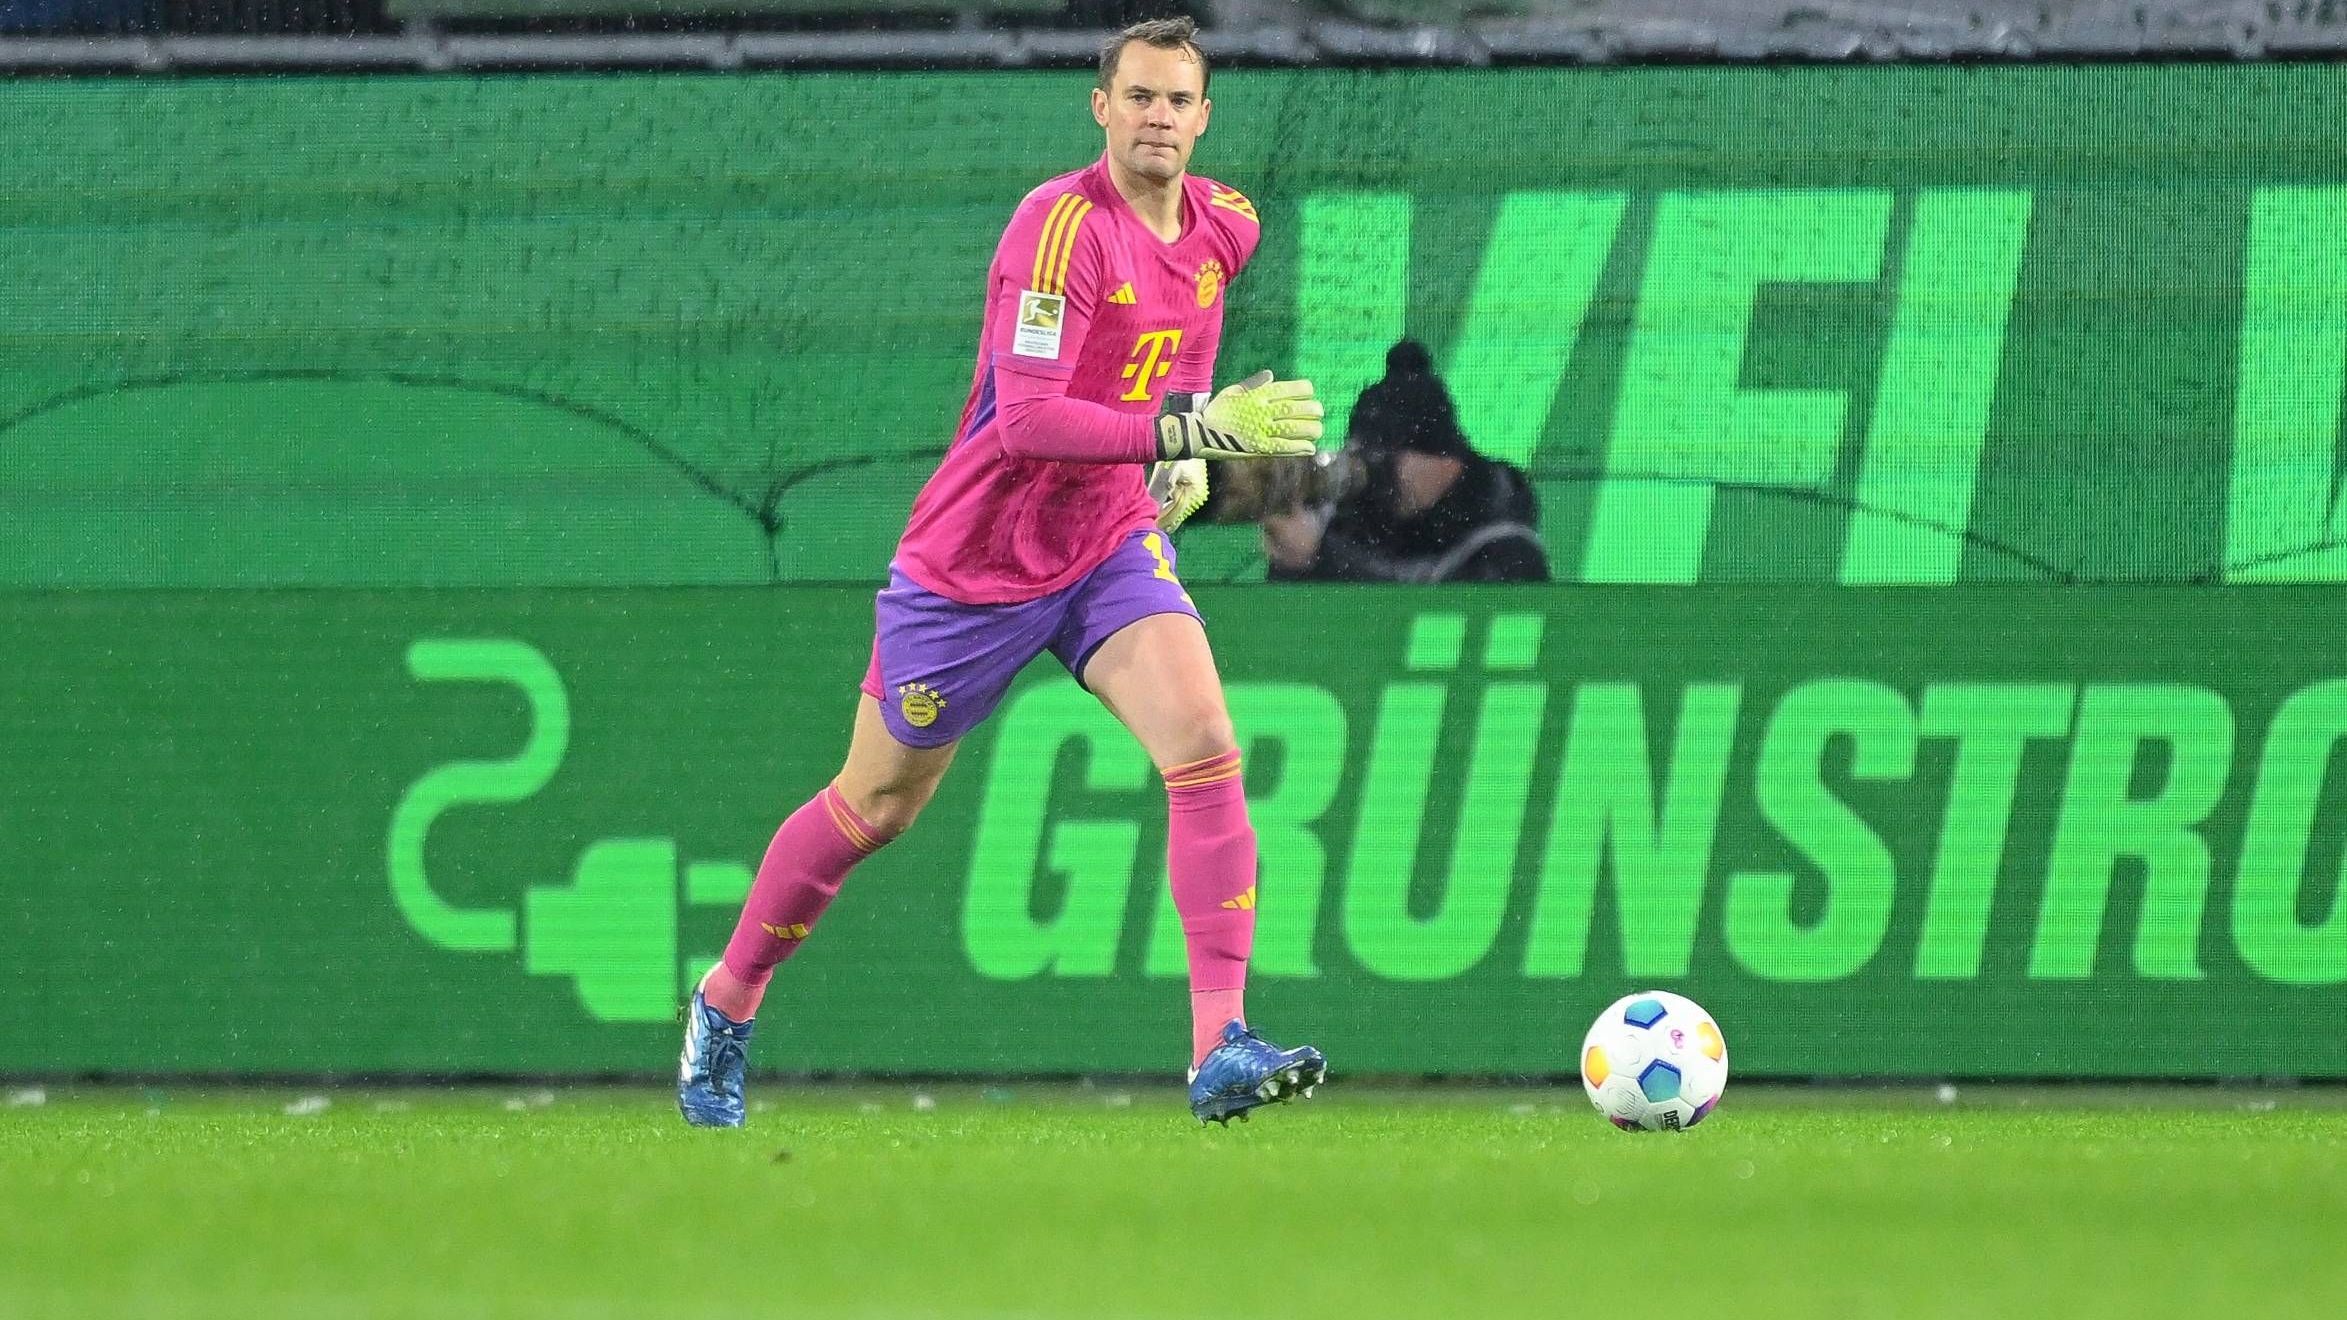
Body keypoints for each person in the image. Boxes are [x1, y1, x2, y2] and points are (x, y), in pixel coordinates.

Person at [679, 17, 1330, 1129]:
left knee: (1207, 748)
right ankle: (725, 1003)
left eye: (1177, 100)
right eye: (1137, 97)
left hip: (1106, 545)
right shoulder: (1057, 226)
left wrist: (1171, 474)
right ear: (1101, 107)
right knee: (874, 806)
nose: (1158, 117)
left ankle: (1218, 1044)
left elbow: (1182, 358)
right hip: (975, 563)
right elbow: (1029, 422)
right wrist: (1193, 432)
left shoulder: (1227, 225)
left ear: (1204, 115)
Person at [1262, 341, 1550, 583]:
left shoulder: (1509, 550)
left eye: (1383, 461)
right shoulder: (1354, 523)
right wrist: (1294, 561)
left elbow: (1435, 627)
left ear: (1444, 465)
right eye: (1360, 458)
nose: (1370, 477)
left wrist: (1321, 557)